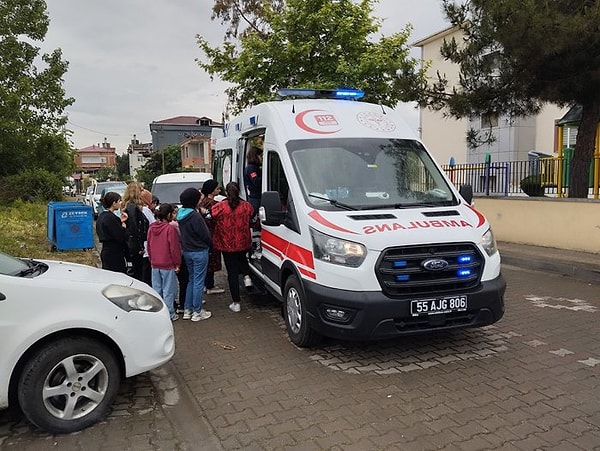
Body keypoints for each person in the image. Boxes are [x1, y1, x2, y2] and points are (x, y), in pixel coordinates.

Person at [204, 181, 254, 313]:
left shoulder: (220, 207)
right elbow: (253, 217)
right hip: (243, 242)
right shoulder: (246, 206)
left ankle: (236, 303)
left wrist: (204, 211)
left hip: (226, 244)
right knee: (243, 259)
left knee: (231, 272)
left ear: (226, 192)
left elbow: (209, 216)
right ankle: (247, 277)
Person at [177, 187, 212, 321]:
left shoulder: (181, 214)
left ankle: (187, 309)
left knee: (191, 280)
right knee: (198, 281)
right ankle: (197, 312)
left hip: (187, 251)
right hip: (199, 251)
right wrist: (211, 245)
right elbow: (204, 234)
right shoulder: (195, 216)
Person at [147, 203, 181, 321]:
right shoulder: (170, 229)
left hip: (155, 263)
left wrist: (151, 260)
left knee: (157, 289)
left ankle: (158, 313)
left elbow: (149, 246)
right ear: (168, 215)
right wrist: (177, 263)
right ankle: (169, 313)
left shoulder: (151, 227)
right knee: (169, 290)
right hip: (167, 263)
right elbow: (174, 248)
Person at [199, 179, 224, 295]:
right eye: (217, 188)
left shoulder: (202, 202)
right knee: (211, 261)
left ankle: (205, 284)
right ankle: (210, 285)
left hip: (203, 235)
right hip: (212, 235)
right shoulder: (213, 205)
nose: (219, 190)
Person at [122, 182, 150, 281]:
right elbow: (134, 227)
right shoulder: (132, 207)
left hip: (132, 243)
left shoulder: (128, 206)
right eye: (141, 190)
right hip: (135, 244)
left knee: (137, 271)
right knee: (138, 272)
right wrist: (140, 246)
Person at [95, 191, 129, 273]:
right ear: (114, 203)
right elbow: (120, 237)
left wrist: (119, 221)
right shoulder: (112, 218)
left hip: (105, 250)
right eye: (119, 201)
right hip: (115, 254)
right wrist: (124, 228)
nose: (121, 203)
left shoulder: (102, 216)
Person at [244, 146, 263, 259]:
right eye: (260, 155)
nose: (261, 158)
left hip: (256, 198)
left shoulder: (253, 167)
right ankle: (255, 248)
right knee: (256, 225)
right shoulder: (251, 169)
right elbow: (256, 182)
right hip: (255, 199)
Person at [140, 189, 157, 286]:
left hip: (141, 245)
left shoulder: (137, 208)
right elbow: (153, 224)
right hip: (147, 246)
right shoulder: (145, 210)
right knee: (147, 275)